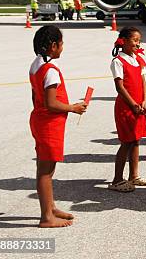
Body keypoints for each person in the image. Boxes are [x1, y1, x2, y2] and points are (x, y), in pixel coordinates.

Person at [29, 26, 88, 227]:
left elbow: (36, 97)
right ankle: (46, 217)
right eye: (61, 44)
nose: (62, 48)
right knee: (46, 170)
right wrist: (73, 107)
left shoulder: (36, 65)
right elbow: (51, 103)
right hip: (49, 124)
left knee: (47, 168)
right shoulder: (51, 71)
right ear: (53, 46)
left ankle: (50, 206)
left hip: (41, 120)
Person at [109, 27, 146, 192]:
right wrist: (133, 103)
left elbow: (143, 82)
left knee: (136, 140)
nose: (137, 43)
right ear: (123, 41)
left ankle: (134, 175)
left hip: (139, 106)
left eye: (139, 40)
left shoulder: (138, 59)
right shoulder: (118, 61)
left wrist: (145, 101)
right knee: (126, 142)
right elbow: (120, 87)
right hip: (126, 107)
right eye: (134, 40)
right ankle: (117, 179)